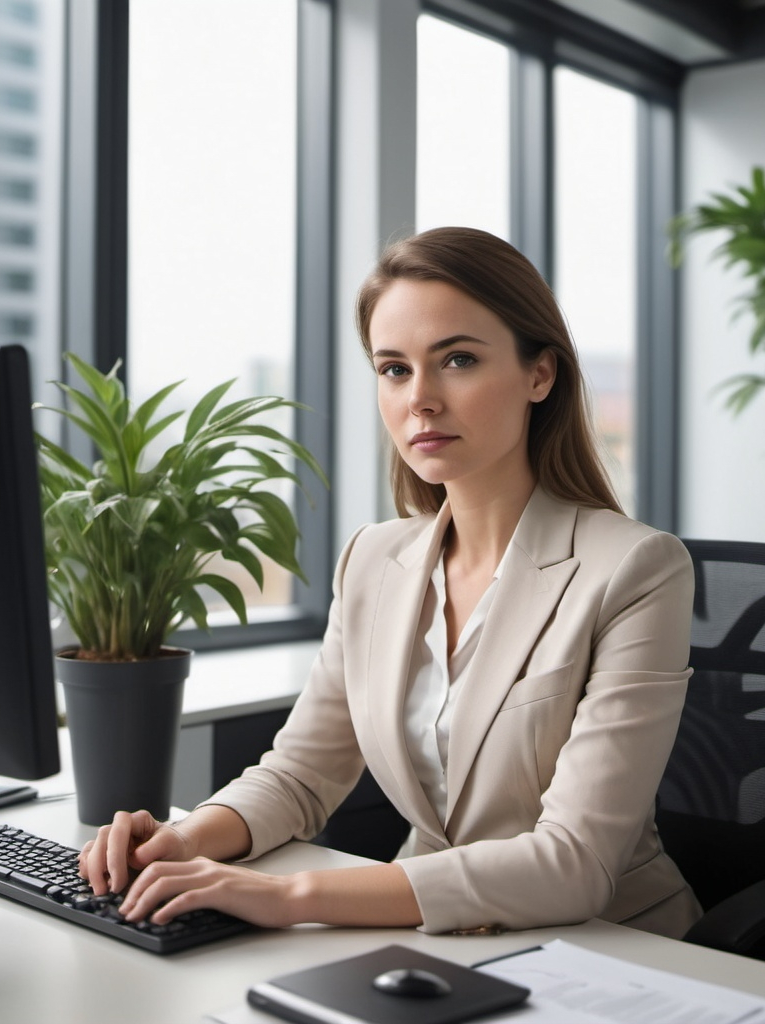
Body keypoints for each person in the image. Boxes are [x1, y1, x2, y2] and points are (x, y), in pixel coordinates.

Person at [78, 226, 702, 938]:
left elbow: (573, 862)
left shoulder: (634, 568)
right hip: (431, 938)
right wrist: (187, 840)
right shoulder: (373, 559)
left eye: (458, 360)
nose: (421, 400)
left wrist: (287, 898)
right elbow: (301, 774)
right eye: (394, 369)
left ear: (540, 374)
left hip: (608, 948)